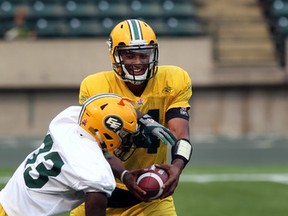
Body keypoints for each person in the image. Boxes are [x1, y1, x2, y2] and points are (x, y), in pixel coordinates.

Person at [71, 19, 193, 215]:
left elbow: (181, 135)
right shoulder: (95, 86)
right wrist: (125, 175)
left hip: (151, 201)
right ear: (115, 54)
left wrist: (177, 166)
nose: (138, 62)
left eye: (144, 54)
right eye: (129, 55)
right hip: (99, 194)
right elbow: (93, 148)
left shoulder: (174, 79)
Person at [0, 93, 140, 216]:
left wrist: (124, 175)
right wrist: (145, 195)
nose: (125, 139)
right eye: (123, 133)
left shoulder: (68, 120)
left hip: (5, 203)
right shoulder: (94, 168)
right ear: (107, 129)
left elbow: (101, 153)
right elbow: (99, 202)